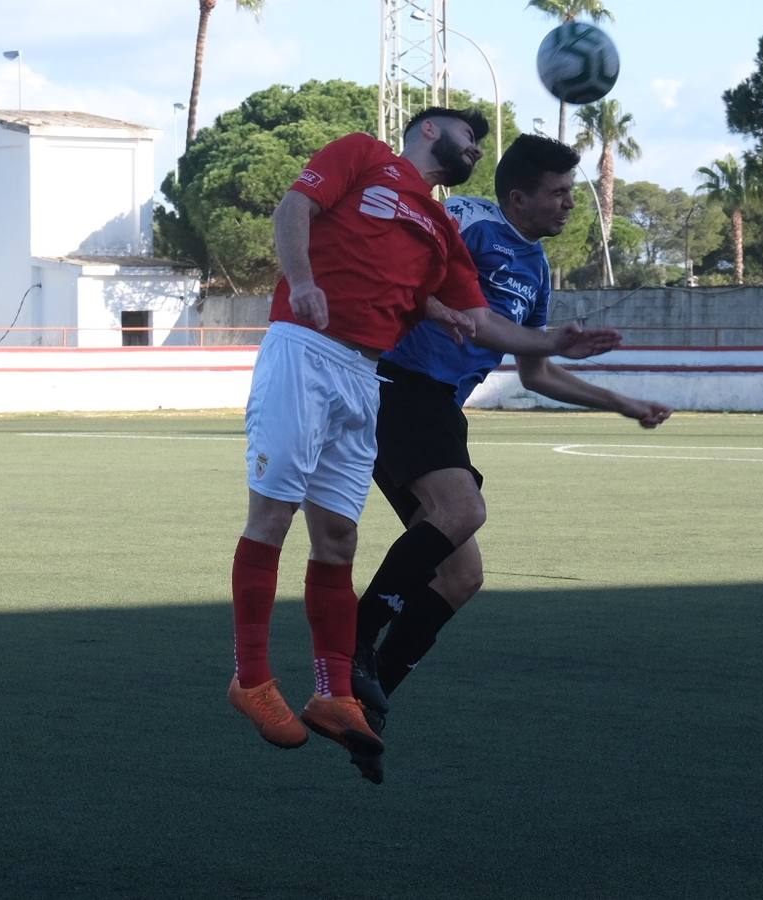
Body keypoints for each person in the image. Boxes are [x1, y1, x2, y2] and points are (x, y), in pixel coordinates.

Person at [226, 109, 622, 778]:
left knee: (338, 541)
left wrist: (553, 342)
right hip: (306, 347)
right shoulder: (362, 155)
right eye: (467, 135)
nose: (475, 146)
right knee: (272, 516)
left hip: (362, 376)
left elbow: (475, 319)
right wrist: (305, 280)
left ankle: (334, 694)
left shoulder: (438, 228)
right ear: (428, 130)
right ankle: (253, 680)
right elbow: (294, 207)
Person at [349, 135, 673, 776]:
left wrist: (620, 401)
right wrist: (436, 308)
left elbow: (536, 373)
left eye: (571, 193)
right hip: (396, 385)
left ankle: (364, 701)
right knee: (463, 508)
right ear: (518, 196)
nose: (568, 205)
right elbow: (401, 271)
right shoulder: (469, 220)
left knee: (462, 576)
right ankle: (352, 639)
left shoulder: (537, 270)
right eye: (557, 193)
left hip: (438, 408)